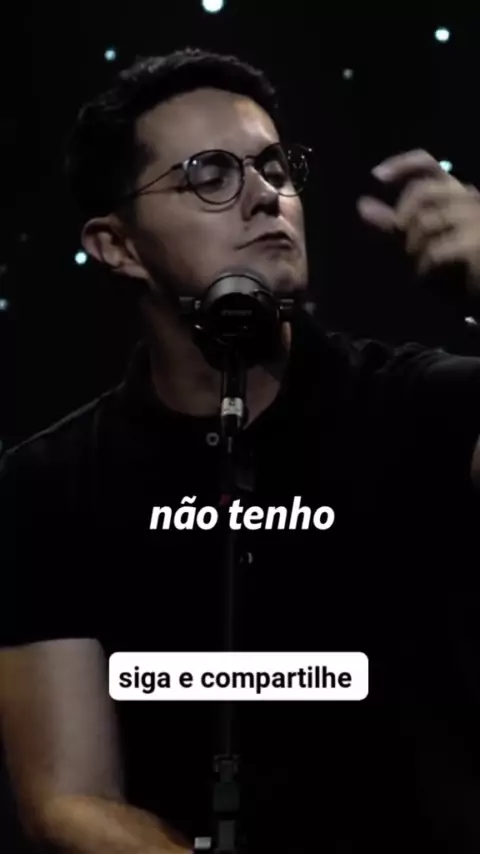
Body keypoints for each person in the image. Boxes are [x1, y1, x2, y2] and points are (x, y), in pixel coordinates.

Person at [1, 46, 480, 854]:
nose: (265, 195)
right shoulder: (49, 483)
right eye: (210, 176)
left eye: (273, 168)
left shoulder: (427, 404)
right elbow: (70, 797)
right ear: (117, 246)